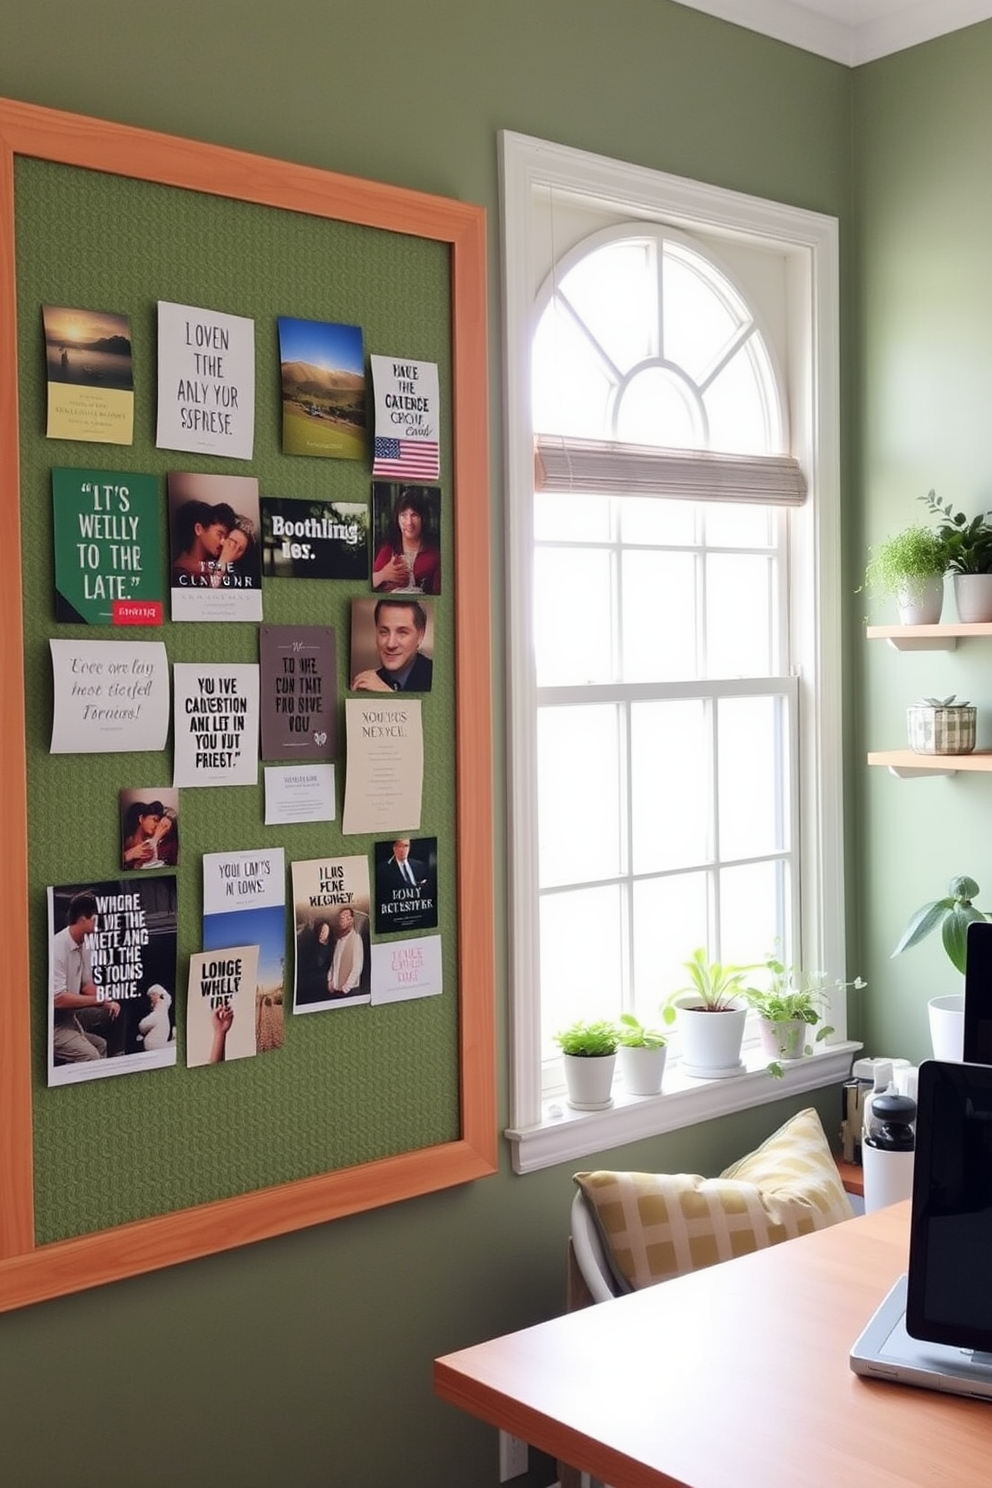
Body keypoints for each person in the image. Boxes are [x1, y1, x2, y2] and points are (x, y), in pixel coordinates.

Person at [50, 890, 122, 1064]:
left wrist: (108, 1000)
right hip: (52, 1023)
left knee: (103, 1041)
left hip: (71, 1016)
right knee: (91, 1055)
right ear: (83, 919)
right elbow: (57, 999)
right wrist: (97, 1000)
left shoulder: (85, 944)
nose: (100, 925)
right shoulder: (57, 947)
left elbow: (87, 984)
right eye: (95, 920)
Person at [351, 598, 433, 693]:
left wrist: (387, 692)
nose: (391, 644)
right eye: (384, 632)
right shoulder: (367, 683)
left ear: (420, 635)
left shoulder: (435, 676)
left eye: (402, 632)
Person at [372, 487, 441, 594]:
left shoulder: (435, 554)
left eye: (414, 515)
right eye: (403, 515)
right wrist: (383, 574)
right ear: (397, 519)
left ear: (424, 519)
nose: (409, 522)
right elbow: (367, 584)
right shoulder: (389, 548)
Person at [170, 499, 237, 585]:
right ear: (199, 529)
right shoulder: (179, 571)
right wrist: (223, 563)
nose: (223, 542)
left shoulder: (212, 563)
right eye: (219, 534)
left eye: (226, 537)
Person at [122, 800, 178, 869]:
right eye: (154, 820)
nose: (157, 825)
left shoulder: (158, 846)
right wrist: (129, 855)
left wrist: (156, 838)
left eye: (159, 822)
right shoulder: (124, 843)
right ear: (141, 819)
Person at [209, 515, 257, 588]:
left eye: (240, 549)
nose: (234, 550)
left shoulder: (235, 576)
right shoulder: (207, 554)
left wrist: (223, 562)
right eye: (232, 542)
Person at [295, 918, 333, 1005]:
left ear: (329, 931)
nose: (322, 933)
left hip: (324, 983)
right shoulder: (311, 944)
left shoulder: (332, 947)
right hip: (310, 982)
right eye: (320, 930)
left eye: (324, 930)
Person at [327, 906, 364, 997]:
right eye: (341, 918)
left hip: (349, 991)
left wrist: (346, 987)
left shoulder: (356, 939)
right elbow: (334, 964)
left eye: (347, 917)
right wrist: (330, 980)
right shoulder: (339, 941)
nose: (343, 920)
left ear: (351, 920)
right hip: (335, 990)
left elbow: (357, 967)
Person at [137, 985, 173, 1050]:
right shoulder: (162, 1015)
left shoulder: (158, 1015)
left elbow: (142, 1026)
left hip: (155, 1050)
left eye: (152, 996)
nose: (151, 1000)